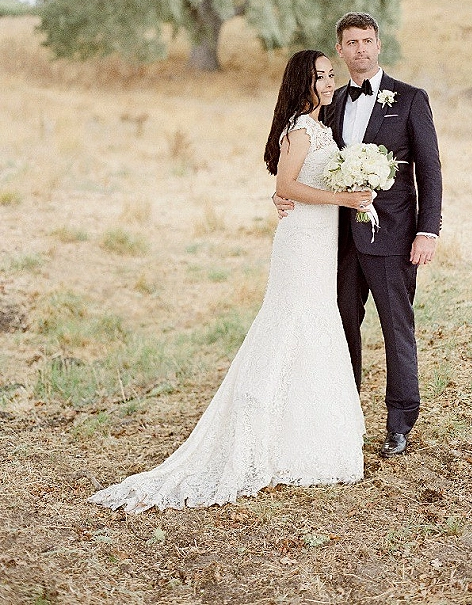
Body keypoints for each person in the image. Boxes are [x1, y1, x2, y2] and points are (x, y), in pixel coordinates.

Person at [88, 50, 371, 513]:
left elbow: (303, 181)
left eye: (329, 74)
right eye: (318, 76)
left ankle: (306, 436)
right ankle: (262, 432)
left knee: (317, 322)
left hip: (321, 240)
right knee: (292, 320)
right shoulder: (300, 129)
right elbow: (285, 187)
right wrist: (343, 198)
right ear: (300, 83)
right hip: (301, 242)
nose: (327, 82)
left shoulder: (321, 127)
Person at [274, 13, 442, 458]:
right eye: (351, 42)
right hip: (336, 240)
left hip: (394, 237)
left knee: (396, 329)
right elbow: (298, 157)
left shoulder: (410, 99)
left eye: (367, 40)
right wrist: (281, 193)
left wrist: (427, 230)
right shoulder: (329, 102)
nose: (360, 49)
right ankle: (342, 417)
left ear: (378, 44)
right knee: (340, 326)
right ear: (341, 49)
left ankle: (400, 423)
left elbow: (430, 170)